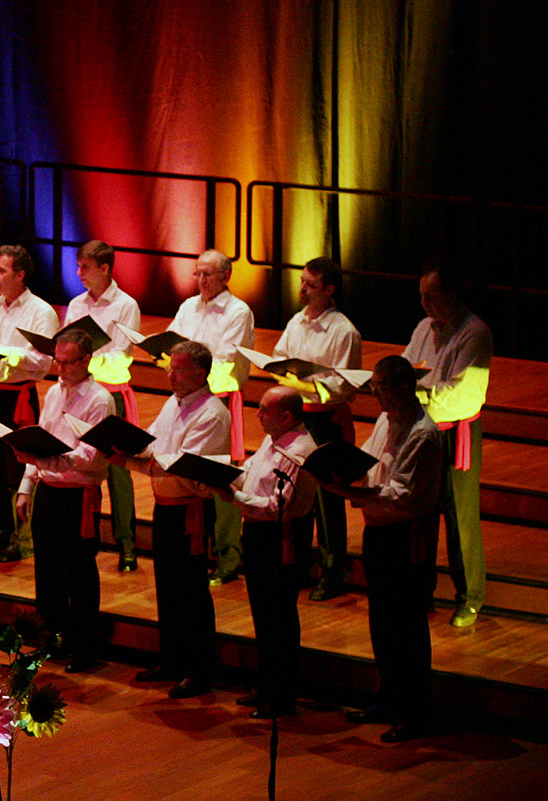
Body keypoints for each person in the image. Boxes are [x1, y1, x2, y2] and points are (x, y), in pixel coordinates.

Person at [326, 355, 442, 742]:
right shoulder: (383, 420)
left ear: (404, 388)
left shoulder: (423, 433)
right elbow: (375, 469)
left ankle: (416, 712)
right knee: (382, 622)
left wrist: (353, 492)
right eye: (373, 387)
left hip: (405, 536)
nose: (375, 395)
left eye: (381, 388)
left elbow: (402, 495)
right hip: (379, 531)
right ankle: (389, 699)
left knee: (406, 627)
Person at [112, 341, 232, 698]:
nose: (170, 375)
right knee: (167, 587)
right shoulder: (173, 403)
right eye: (170, 368)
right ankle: (173, 659)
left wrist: (134, 462)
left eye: (178, 370)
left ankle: (199, 670)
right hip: (166, 507)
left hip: (190, 511)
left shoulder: (212, 412)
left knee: (191, 591)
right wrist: (129, 449)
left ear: (200, 373)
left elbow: (180, 463)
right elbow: (155, 446)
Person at [13, 328, 114, 672]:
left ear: (88, 360)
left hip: (78, 497)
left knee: (80, 576)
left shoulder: (100, 399)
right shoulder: (54, 392)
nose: (61, 370)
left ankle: (85, 649)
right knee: (48, 574)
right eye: (58, 361)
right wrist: (28, 485)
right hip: (49, 492)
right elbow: (43, 438)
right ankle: (49, 642)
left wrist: (44, 461)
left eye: (69, 363)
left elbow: (88, 457)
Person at [401, 263, 493, 629]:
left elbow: (463, 396)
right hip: (423, 429)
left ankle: (470, 597)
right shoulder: (424, 327)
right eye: (421, 295)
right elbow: (407, 368)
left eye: (431, 296)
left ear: (452, 296)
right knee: (419, 515)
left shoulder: (475, 333)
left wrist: (415, 392)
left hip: (456, 433)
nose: (423, 303)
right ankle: (421, 593)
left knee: (460, 519)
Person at [270, 256, 362, 601]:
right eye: (302, 282)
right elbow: (280, 357)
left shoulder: (344, 331)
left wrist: (308, 383)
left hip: (326, 419)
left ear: (329, 289)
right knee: (295, 492)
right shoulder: (298, 321)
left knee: (328, 498)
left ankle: (333, 569)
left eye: (310, 284)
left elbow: (346, 386)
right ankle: (299, 564)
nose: (303, 289)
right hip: (297, 416)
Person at [228, 386, 318, 718]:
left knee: (279, 615)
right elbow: (249, 475)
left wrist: (234, 498)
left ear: (287, 416)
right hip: (257, 533)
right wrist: (223, 477)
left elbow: (278, 505)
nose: (257, 414)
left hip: (281, 537)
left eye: (265, 409)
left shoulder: (300, 451)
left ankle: (282, 695)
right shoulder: (273, 440)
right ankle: (267, 685)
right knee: (262, 613)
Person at [168, 249, 257, 585]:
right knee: (190, 473)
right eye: (198, 274)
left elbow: (224, 361)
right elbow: (173, 343)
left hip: (220, 400)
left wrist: (192, 371)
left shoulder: (238, 312)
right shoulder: (188, 307)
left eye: (208, 275)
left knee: (221, 479)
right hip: (188, 399)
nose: (202, 281)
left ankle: (228, 555)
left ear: (225, 277)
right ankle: (197, 549)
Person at [0, 244, 58, 562]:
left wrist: (6, 355)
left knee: (18, 469)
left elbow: (42, 362)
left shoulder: (40, 311)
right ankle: (5, 531)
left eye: (1, 270)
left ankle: (23, 538)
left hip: (18, 397)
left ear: (20, 275)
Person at [63, 240, 142, 572]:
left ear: (105, 268)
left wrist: (86, 361)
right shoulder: (76, 304)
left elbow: (121, 357)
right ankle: (80, 538)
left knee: (118, 472)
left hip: (110, 396)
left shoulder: (126, 305)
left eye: (85, 267)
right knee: (76, 466)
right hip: (78, 395)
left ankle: (127, 544)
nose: (79, 273)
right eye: (78, 266)